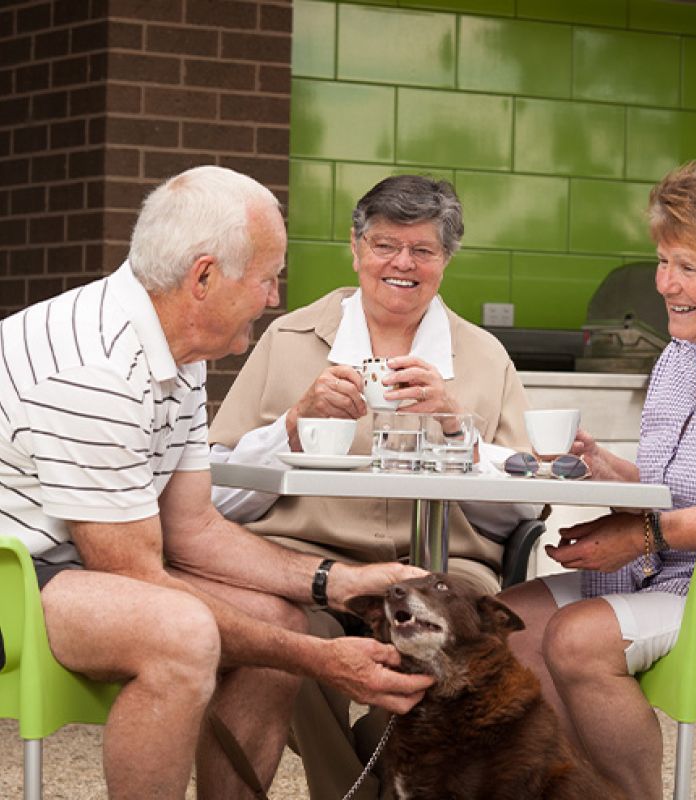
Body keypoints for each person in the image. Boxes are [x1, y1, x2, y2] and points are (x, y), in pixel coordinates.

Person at [0, 165, 434, 800]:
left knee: (278, 616)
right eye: (266, 278)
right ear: (203, 276)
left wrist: (333, 583)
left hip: (68, 568)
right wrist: (321, 659)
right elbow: (136, 578)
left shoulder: (181, 348)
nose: (275, 298)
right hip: (15, 573)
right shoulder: (96, 367)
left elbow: (193, 528)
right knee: (181, 632)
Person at [209, 174, 540, 798]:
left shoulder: (485, 356)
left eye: (423, 250)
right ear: (356, 250)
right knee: (287, 645)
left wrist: (454, 430)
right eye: (386, 245)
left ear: (446, 260)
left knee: (431, 667)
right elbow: (215, 491)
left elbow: (520, 515)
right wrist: (292, 425)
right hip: (306, 567)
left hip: (443, 574)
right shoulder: (288, 339)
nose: (402, 264)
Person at [500, 158, 696, 800]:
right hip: (672, 571)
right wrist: (611, 473)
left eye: (688, 266)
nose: (665, 284)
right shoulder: (682, 351)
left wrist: (647, 533)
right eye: (663, 261)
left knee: (579, 640)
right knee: (503, 626)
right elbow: (688, 486)